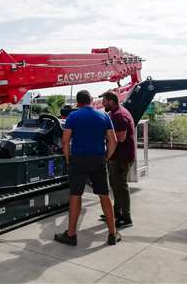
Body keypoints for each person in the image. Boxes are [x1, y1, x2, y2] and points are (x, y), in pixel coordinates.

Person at [54, 90, 121, 246]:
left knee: (75, 195)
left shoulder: (73, 116)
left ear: (78, 103)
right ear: (91, 100)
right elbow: (114, 141)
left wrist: (68, 159)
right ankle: (112, 233)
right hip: (98, 160)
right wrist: (106, 157)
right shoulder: (103, 116)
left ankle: (71, 235)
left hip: (78, 160)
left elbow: (65, 141)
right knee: (104, 196)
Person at [101, 91, 136, 228]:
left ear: (110, 101)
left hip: (121, 157)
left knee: (121, 187)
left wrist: (106, 153)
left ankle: (126, 218)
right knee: (115, 186)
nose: (103, 104)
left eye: (104, 101)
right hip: (119, 156)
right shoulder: (116, 113)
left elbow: (120, 138)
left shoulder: (119, 115)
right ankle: (116, 212)